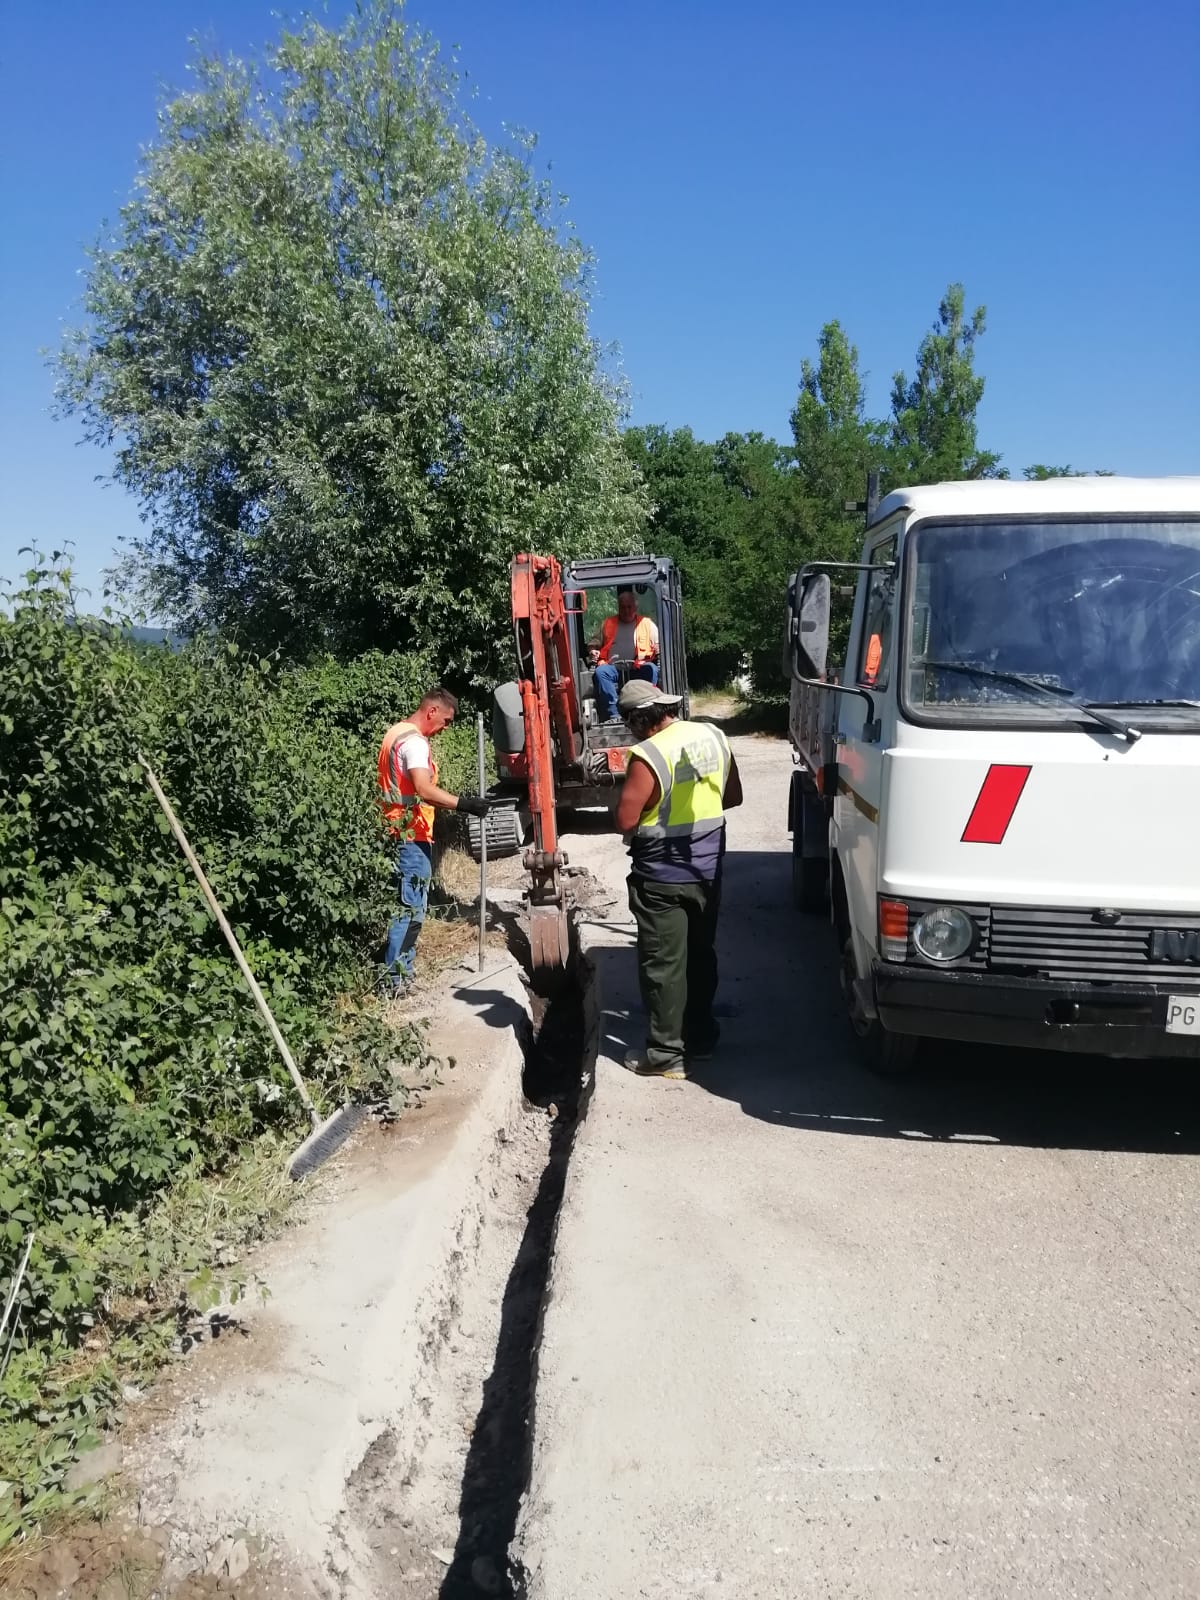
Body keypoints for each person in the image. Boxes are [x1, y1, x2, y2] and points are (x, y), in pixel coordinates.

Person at [613, 679, 743, 1078]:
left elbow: (626, 819)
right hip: (706, 869)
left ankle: (666, 1055)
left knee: (664, 964)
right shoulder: (712, 734)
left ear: (638, 721)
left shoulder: (647, 753)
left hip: (661, 877)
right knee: (701, 954)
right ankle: (700, 1039)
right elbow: (733, 795)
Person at [377, 688, 491, 991]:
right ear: (431, 712)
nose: (445, 728)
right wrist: (464, 804)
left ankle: (400, 973)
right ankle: (396, 980)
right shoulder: (414, 743)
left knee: (406, 905)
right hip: (411, 836)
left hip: (396, 831)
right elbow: (424, 790)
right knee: (411, 909)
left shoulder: (395, 733)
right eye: (446, 721)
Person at [589, 587, 660, 721]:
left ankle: (646, 711)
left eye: (629, 606)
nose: (626, 610)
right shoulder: (607, 623)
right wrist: (593, 650)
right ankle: (614, 715)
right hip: (613, 668)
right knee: (600, 672)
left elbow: (660, 644)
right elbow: (594, 643)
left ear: (635, 607)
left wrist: (658, 648)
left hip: (638, 668)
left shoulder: (647, 624)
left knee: (652, 669)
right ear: (618, 608)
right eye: (623, 607)